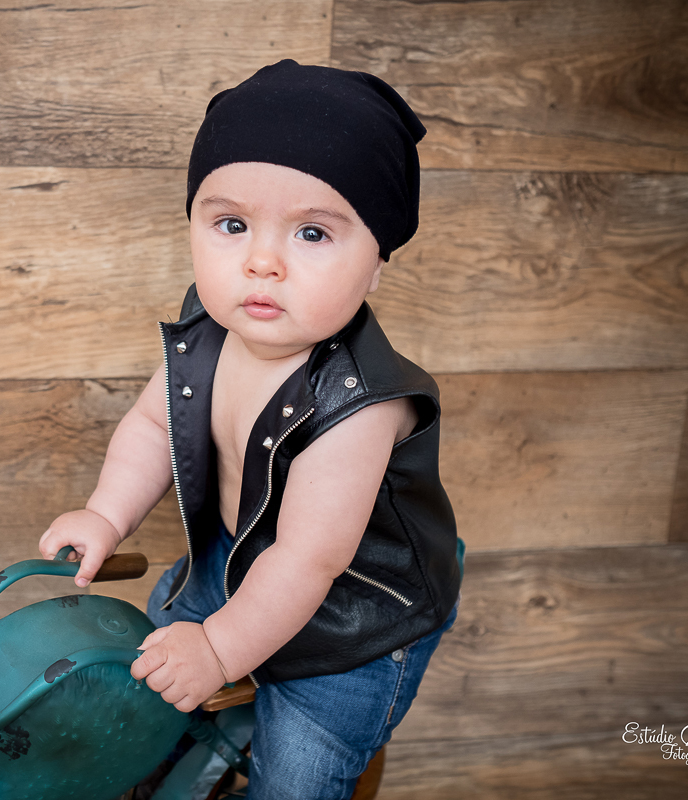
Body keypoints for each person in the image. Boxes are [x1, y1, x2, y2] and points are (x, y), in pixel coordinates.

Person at [39, 59, 463, 800]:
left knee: (298, 771)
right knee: (146, 668)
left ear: (376, 263)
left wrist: (218, 647)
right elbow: (151, 423)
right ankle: (167, 767)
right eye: (232, 225)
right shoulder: (209, 326)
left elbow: (305, 562)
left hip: (350, 624)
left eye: (312, 233)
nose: (262, 262)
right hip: (235, 560)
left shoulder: (360, 406)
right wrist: (108, 512)